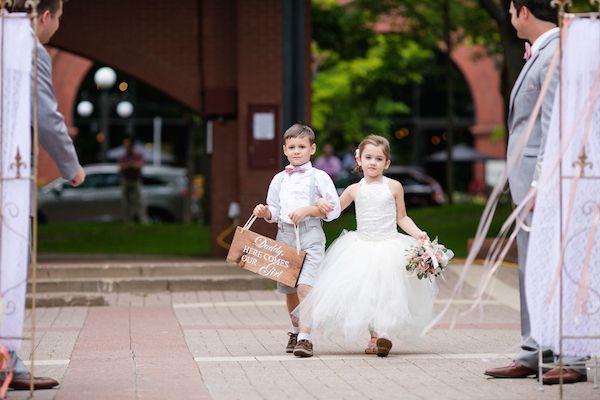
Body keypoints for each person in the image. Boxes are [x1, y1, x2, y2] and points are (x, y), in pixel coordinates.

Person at [484, 0, 586, 385]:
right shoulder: (539, 55)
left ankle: (572, 353)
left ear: (523, 11)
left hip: (545, 186)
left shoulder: (558, 54)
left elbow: (556, 125)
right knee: (532, 266)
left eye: (511, 11)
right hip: (528, 184)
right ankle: (535, 348)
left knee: (559, 267)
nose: (509, 19)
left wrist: (542, 183)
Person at [3, 0, 86, 391]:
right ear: (46, 15)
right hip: (9, 180)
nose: (57, 29)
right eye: (60, 20)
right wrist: (71, 167)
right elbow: (46, 115)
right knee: (12, 270)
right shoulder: (29, 48)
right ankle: (8, 361)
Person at [295, 135, 437, 357]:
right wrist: (315, 206)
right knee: (368, 294)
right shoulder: (354, 189)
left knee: (389, 292)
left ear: (387, 163)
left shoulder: (394, 187)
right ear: (359, 160)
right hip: (361, 245)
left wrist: (420, 234)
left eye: (379, 159)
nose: (373, 162)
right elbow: (332, 212)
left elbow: (402, 218)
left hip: (390, 245)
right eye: (368, 157)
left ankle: (385, 334)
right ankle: (374, 336)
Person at [253, 124, 341, 358]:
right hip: (285, 236)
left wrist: (311, 209)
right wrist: (265, 213)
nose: (296, 151)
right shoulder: (279, 179)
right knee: (290, 289)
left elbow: (334, 210)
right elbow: (274, 210)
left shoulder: (319, 177)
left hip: (310, 235)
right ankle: (295, 330)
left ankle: (306, 337)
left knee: (305, 287)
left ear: (312, 149)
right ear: (284, 149)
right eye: (291, 147)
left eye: (302, 147)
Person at [118, 138, 146, 223]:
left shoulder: (138, 155)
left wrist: (128, 165)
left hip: (136, 181)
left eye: (127, 145)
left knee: (139, 201)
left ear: (131, 145)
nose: (125, 147)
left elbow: (139, 165)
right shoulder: (123, 156)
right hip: (126, 180)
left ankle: (142, 219)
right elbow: (120, 167)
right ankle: (127, 220)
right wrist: (131, 164)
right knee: (125, 202)